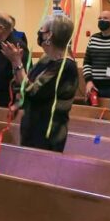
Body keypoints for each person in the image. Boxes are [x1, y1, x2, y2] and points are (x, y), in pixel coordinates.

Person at [11, 14, 78, 152]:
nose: (39, 32)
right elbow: (25, 82)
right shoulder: (47, 59)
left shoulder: (65, 65)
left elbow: (32, 91)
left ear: (49, 35)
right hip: (32, 126)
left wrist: (17, 63)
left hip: (48, 132)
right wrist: (18, 102)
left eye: (42, 29)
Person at [0, 13, 30, 110]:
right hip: (2, 99)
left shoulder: (18, 46)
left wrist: (18, 103)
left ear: (0, 28)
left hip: (15, 102)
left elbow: (24, 78)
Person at [82, 11, 110, 102]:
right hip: (93, 86)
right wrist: (88, 81)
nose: (101, 20)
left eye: (105, 18)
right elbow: (87, 62)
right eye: (100, 18)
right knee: (93, 114)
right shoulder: (94, 38)